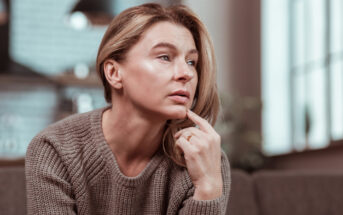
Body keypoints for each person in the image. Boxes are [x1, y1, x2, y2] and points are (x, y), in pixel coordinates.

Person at [25, 3, 231, 215]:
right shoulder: (54, 150)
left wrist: (208, 188)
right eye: (164, 57)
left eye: (191, 61)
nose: (186, 73)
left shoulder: (204, 159)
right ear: (114, 73)